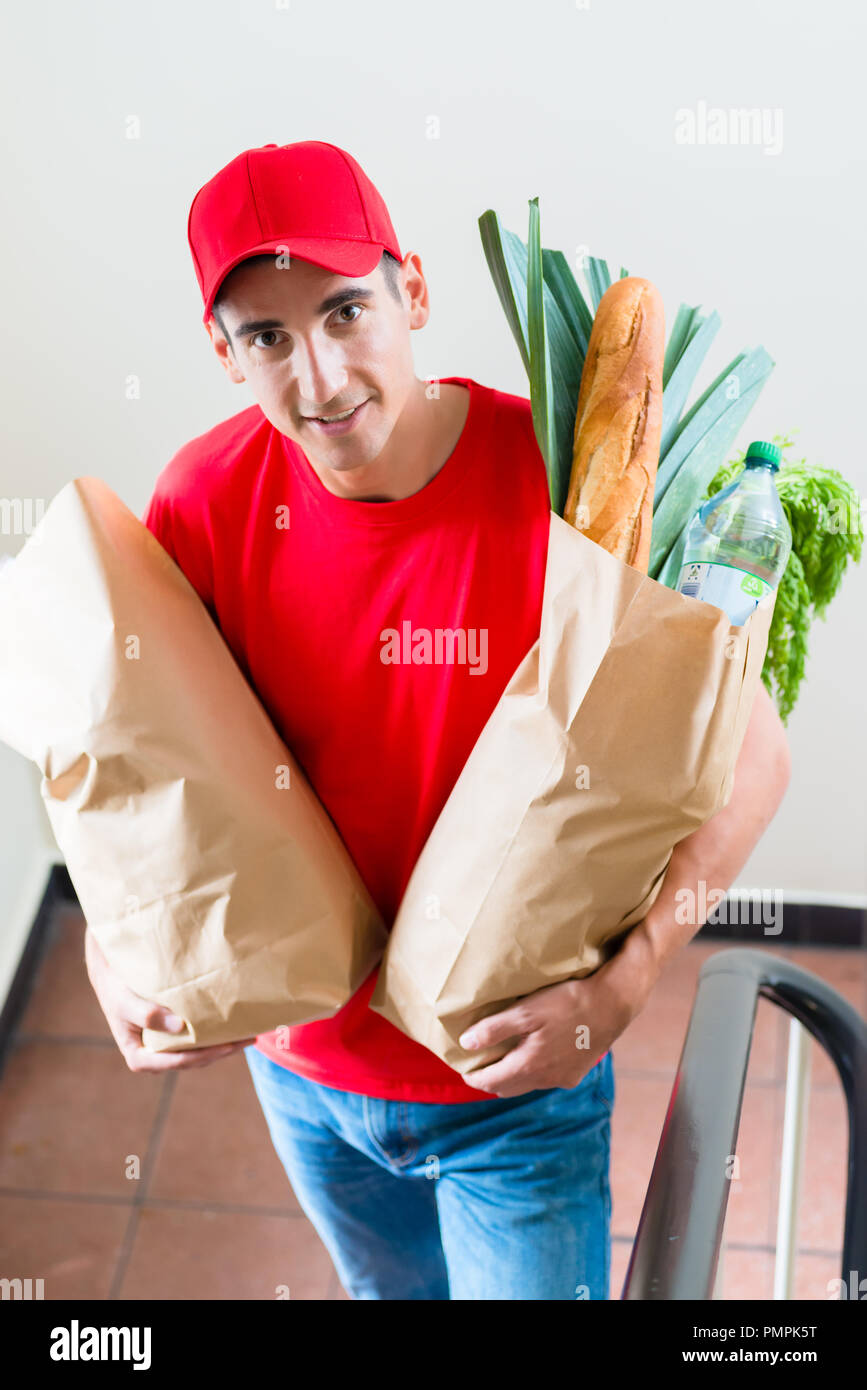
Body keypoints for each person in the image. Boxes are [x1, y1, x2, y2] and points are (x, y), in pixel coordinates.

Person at [84, 140, 792, 1300]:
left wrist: (631, 978)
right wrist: (115, 950)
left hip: (512, 1096)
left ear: (414, 289)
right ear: (223, 352)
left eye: (346, 310)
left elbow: (755, 756)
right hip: (303, 1077)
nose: (318, 376)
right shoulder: (202, 501)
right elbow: (144, 758)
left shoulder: (561, 493)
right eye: (266, 336)